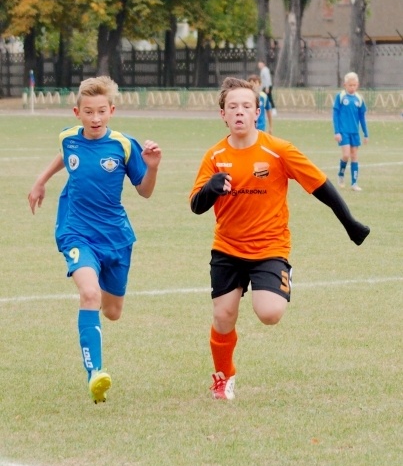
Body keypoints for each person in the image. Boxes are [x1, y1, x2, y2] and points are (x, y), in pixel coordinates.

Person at [189, 77, 370, 400]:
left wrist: (350, 223)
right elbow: (196, 206)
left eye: (246, 106)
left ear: (257, 112)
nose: (240, 112)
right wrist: (210, 188)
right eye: (233, 107)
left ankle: (282, 273)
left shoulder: (279, 150)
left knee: (270, 313)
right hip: (227, 248)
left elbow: (320, 185)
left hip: (269, 248)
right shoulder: (215, 156)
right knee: (223, 315)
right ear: (223, 114)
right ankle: (224, 376)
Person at [28, 76, 162, 403]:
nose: (95, 118)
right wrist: (41, 180)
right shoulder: (69, 138)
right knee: (90, 294)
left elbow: (144, 192)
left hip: (115, 237)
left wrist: (153, 167)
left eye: (101, 111)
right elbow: (66, 154)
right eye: (88, 112)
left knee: (112, 311)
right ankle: (95, 374)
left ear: (112, 110)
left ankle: (98, 296)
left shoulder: (123, 145)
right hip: (76, 232)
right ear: (77, 113)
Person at [333, 72, 369, 192]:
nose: (352, 87)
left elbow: (362, 118)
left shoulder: (359, 99)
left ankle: (354, 183)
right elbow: (335, 115)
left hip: (355, 132)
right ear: (345, 85)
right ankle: (341, 174)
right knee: (346, 155)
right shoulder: (341, 97)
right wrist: (337, 132)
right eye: (350, 85)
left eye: (354, 85)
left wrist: (366, 133)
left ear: (357, 85)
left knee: (354, 156)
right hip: (343, 132)